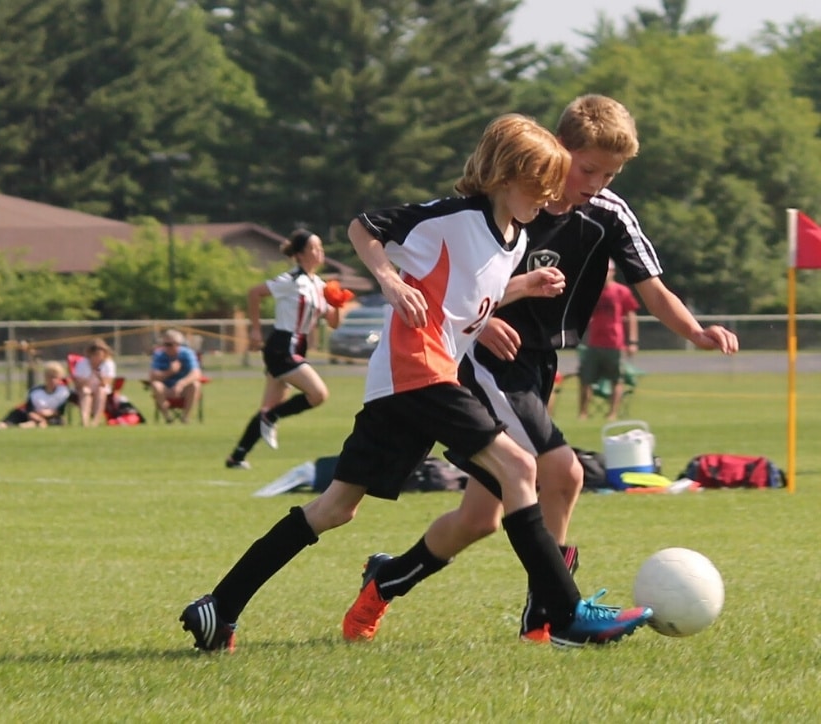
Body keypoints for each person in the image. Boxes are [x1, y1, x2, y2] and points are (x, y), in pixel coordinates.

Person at [181, 113, 652, 653]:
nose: (548, 197)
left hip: (406, 384)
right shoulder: (452, 217)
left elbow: (466, 300)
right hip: (418, 370)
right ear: (505, 176)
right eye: (539, 185)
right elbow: (364, 227)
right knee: (520, 467)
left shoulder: (514, 238)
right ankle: (564, 615)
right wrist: (389, 281)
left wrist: (522, 287)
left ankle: (218, 607)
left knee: (335, 509)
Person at [343, 94, 739, 646]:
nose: (597, 183)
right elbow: (457, 281)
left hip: (537, 366)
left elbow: (651, 287)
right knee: (564, 472)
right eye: (588, 169)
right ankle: (551, 616)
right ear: (557, 150)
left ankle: (385, 580)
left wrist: (694, 331)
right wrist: (481, 321)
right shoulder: (510, 202)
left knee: (479, 519)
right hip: (486, 363)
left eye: (610, 174)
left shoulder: (608, 214)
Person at [224, 228, 341, 469]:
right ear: (299, 254)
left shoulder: (319, 285)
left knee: (268, 407)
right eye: (313, 248)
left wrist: (337, 304)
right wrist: (255, 330)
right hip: (282, 346)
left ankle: (237, 456)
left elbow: (333, 323)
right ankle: (271, 418)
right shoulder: (291, 280)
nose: (319, 252)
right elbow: (255, 293)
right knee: (318, 395)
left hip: (298, 346)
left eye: (321, 248)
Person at [578, 259, 640, 420]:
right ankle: (583, 413)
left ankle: (612, 413)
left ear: (613, 272)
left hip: (615, 343)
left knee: (616, 380)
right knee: (586, 378)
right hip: (594, 342)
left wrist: (633, 341)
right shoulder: (593, 291)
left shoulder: (622, 291)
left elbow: (631, 316)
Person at [0, 361, 72, 429]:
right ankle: (3, 425)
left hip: (49, 417)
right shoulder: (35, 392)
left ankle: (32, 424)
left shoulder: (63, 392)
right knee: (15, 416)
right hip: (30, 414)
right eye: (49, 377)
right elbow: (29, 410)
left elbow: (59, 411)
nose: (52, 380)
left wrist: (47, 413)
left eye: (55, 377)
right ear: (45, 377)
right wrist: (39, 418)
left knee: (58, 421)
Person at [148, 329, 202, 423]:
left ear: (178, 344)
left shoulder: (187, 354)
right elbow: (153, 376)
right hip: (166, 388)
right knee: (156, 385)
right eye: (165, 344)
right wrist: (170, 371)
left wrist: (181, 384)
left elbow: (196, 373)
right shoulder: (159, 354)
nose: (166, 347)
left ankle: (185, 417)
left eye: (170, 344)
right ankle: (168, 418)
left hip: (184, 389)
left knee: (195, 385)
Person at [72, 338, 117, 427]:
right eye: (95, 355)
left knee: (101, 391)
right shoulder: (82, 363)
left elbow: (107, 382)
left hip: (101, 388)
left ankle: (96, 421)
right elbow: (78, 383)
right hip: (85, 387)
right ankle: (85, 420)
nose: (98, 358)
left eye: (100, 355)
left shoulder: (108, 364)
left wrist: (98, 375)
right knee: (85, 391)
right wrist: (88, 378)